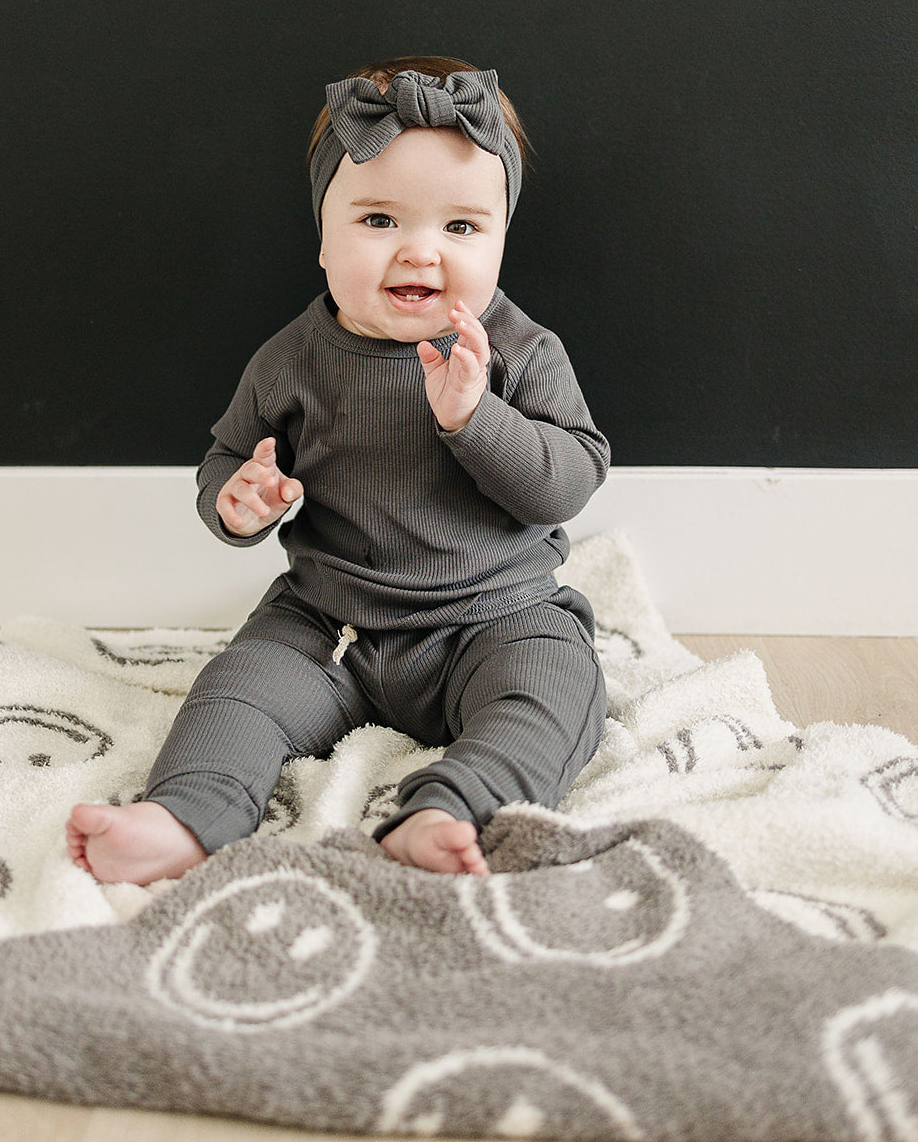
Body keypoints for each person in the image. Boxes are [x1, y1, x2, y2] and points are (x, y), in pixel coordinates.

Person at [67, 57, 609, 883]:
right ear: (322, 234)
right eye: (379, 219)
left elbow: (565, 484)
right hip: (331, 626)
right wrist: (239, 501)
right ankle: (183, 814)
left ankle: (448, 809)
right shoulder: (290, 360)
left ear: (502, 236)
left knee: (555, 693)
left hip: (495, 616)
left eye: (461, 228)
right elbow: (227, 458)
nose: (420, 252)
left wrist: (477, 419)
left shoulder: (519, 353)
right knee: (236, 692)